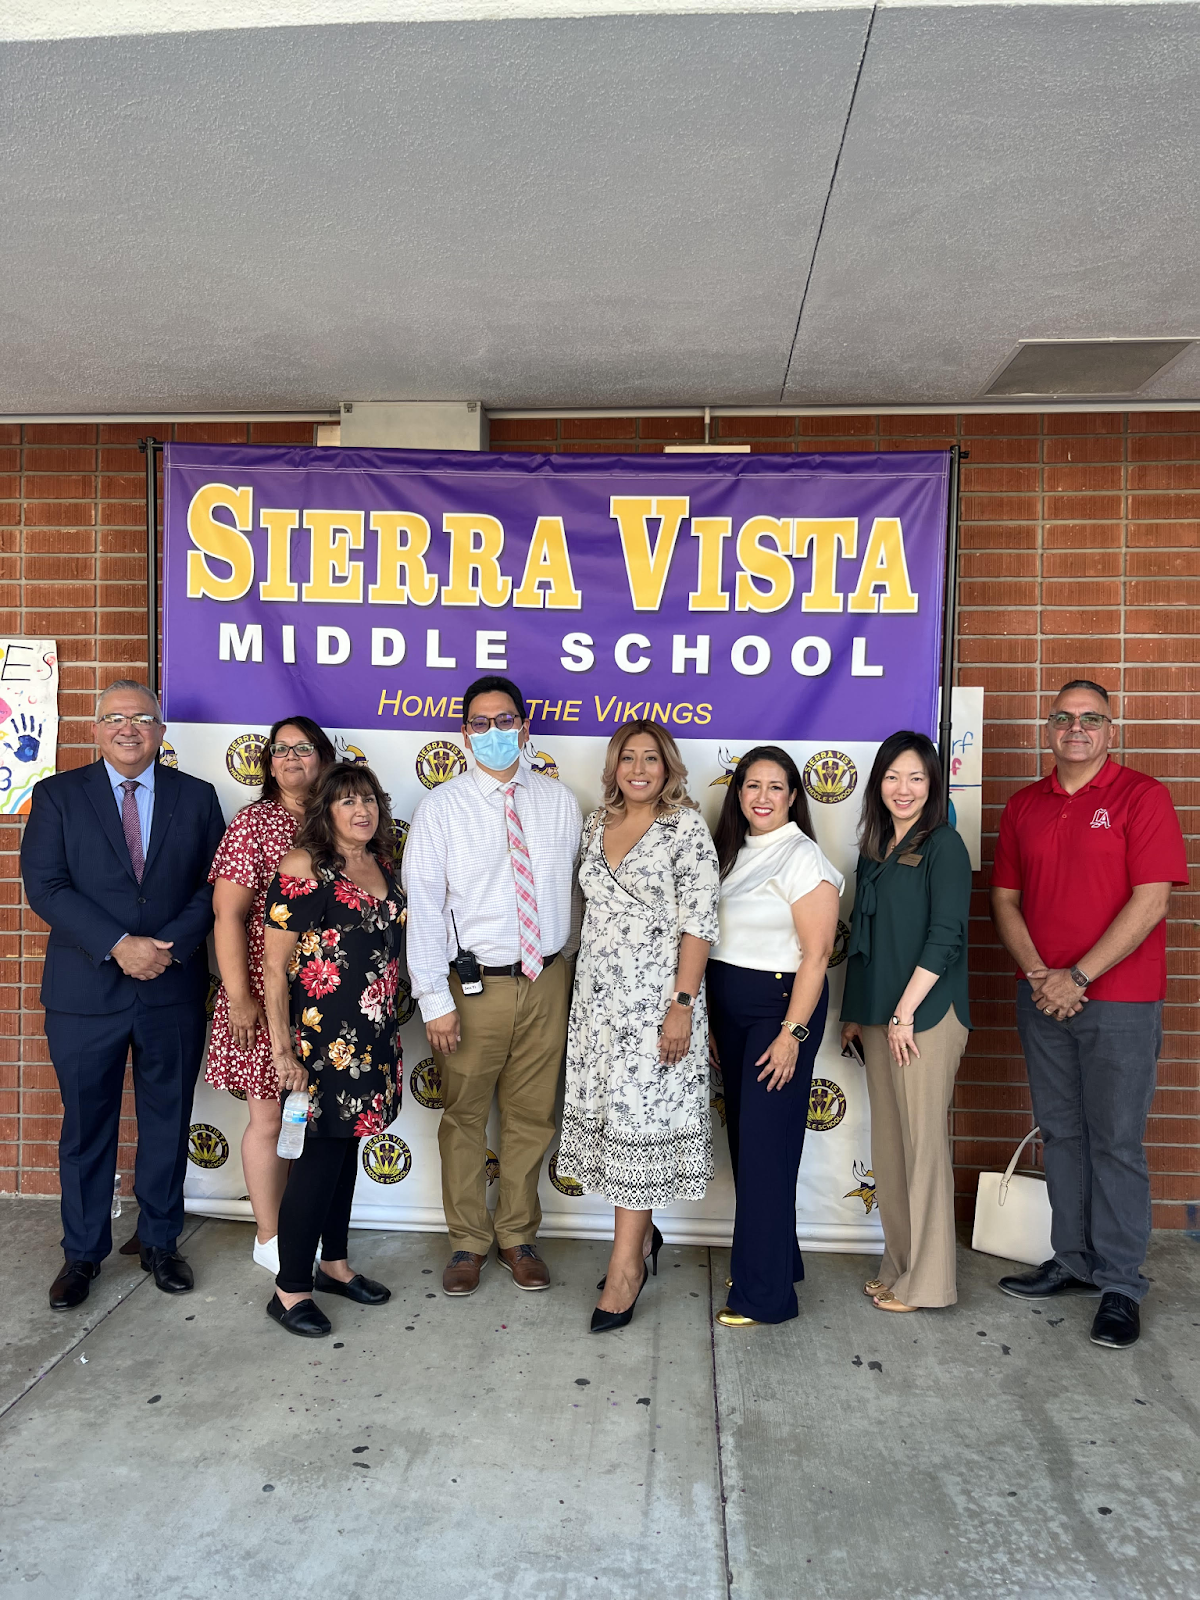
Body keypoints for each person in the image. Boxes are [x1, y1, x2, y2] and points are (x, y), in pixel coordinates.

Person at [989, 679, 1187, 1350]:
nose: (1077, 729)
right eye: (1065, 718)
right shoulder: (1024, 805)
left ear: (1111, 729)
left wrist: (1078, 976)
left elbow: (1151, 900)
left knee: (1116, 1141)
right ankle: (1073, 1261)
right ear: (1049, 729)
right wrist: (1044, 977)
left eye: (1091, 719)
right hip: (1043, 997)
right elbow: (1006, 901)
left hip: (1120, 1001)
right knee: (1062, 1133)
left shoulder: (1142, 797)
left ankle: (1122, 1284)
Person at [21, 679, 225, 1308]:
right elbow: (46, 886)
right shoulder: (57, 796)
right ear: (95, 729)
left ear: (161, 731)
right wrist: (119, 944)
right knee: (87, 1127)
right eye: (115, 718)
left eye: (142, 718)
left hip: (171, 985)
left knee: (167, 1121)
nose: (129, 729)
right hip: (85, 992)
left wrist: (162, 948)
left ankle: (161, 1242)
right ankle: (82, 1254)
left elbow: (213, 889)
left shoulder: (197, 797)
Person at [403, 674, 582, 1298]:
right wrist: (434, 998)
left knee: (533, 1116)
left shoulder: (559, 802)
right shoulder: (442, 808)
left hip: (545, 979)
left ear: (524, 727)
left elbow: (573, 894)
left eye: (504, 721)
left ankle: (518, 1235)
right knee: (465, 1117)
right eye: (480, 723)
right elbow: (424, 908)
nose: (493, 733)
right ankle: (466, 1242)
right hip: (472, 988)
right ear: (464, 733)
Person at [558, 720, 719, 1333]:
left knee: (639, 1129)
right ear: (614, 766)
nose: (641, 768)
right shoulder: (594, 825)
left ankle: (625, 1267)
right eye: (630, 758)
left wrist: (682, 1004)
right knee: (611, 1123)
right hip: (598, 1007)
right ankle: (643, 1241)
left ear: (669, 767)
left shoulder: (686, 829)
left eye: (653, 758)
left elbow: (699, 922)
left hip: (656, 1004)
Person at [261, 763, 404, 1338]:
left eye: (367, 799)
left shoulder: (381, 863)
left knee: (345, 1156)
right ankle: (289, 1289)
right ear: (326, 810)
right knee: (316, 1163)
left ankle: (335, 1265)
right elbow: (273, 969)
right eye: (346, 802)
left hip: (372, 1041)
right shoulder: (304, 867)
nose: (360, 810)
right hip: (319, 1047)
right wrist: (282, 1052)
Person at [706, 746, 843, 1327]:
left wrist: (792, 1034)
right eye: (752, 785)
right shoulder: (733, 854)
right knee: (755, 1147)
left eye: (776, 787)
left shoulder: (803, 858)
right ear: (739, 794)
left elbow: (816, 956)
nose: (762, 797)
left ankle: (763, 1298)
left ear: (793, 796)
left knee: (764, 1152)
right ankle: (778, 1261)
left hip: (779, 1013)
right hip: (734, 1015)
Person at [840, 732, 972, 1314]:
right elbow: (862, 942)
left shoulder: (945, 844)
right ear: (878, 783)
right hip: (878, 1017)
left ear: (933, 784)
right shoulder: (873, 847)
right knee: (891, 1149)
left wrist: (904, 1012)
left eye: (916, 777)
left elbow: (946, 936)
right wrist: (856, 1015)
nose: (903, 788)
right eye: (893, 776)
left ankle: (930, 1282)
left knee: (922, 1149)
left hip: (924, 1017)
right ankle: (898, 1267)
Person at [206, 715, 336, 1274]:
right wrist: (240, 995)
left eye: (303, 748)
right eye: (280, 750)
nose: (291, 758)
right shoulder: (254, 823)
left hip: (335, 999)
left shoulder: (342, 819)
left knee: (326, 1123)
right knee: (268, 1118)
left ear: (324, 758)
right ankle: (271, 1237)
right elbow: (227, 916)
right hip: (268, 993)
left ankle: (319, 1236)